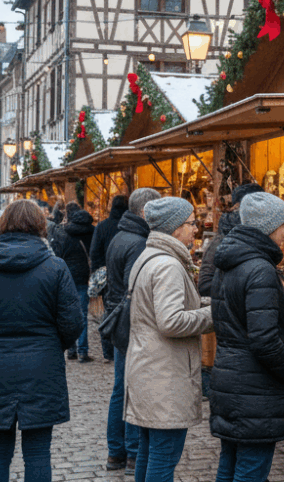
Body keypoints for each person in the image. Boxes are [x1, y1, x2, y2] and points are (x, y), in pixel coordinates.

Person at [0, 200, 83, 482]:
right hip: (42, 367)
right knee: (38, 452)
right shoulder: (55, 268)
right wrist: (51, 345)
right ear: (40, 226)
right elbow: (73, 323)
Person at [209, 192, 284, 482]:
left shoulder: (230, 262)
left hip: (231, 376)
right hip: (255, 386)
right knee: (251, 469)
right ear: (268, 226)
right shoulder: (260, 268)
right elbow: (265, 341)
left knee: (231, 462)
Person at [124, 197, 213, 482]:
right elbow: (171, 321)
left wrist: (200, 303)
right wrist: (214, 315)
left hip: (149, 368)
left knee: (150, 453)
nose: (194, 229)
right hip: (165, 375)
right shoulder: (168, 265)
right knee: (163, 457)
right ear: (174, 228)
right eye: (190, 223)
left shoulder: (149, 257)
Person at [104, 187, 161, 474]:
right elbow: (134, 290)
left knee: (120, 388)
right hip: (130, 324)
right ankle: (132, 453)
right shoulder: (138, 242)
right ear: (144, 213)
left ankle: (116, 452)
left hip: (118, 322)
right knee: (131, 390)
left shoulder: (119, 235)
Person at [198, 183, 262, 297]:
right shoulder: (224, 237)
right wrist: (246, 287)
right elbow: (205, 285)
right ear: (238, 206)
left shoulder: (255, 235)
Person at [50, 208, 96, 362]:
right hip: (84, 277)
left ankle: (71, 350)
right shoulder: (93, 232)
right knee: (83, 313)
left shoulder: (65, 232)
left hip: (68, 276)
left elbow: (59, 254)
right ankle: (83, 352)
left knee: (68, 312)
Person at [90, 196, 128, 363]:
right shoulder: (128, 228)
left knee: (109, 311)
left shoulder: (103, 226)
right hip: (127, 275)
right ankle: (122, 348)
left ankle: (108, 351)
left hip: (108, 277)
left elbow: (95, 253)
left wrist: (100, 273)